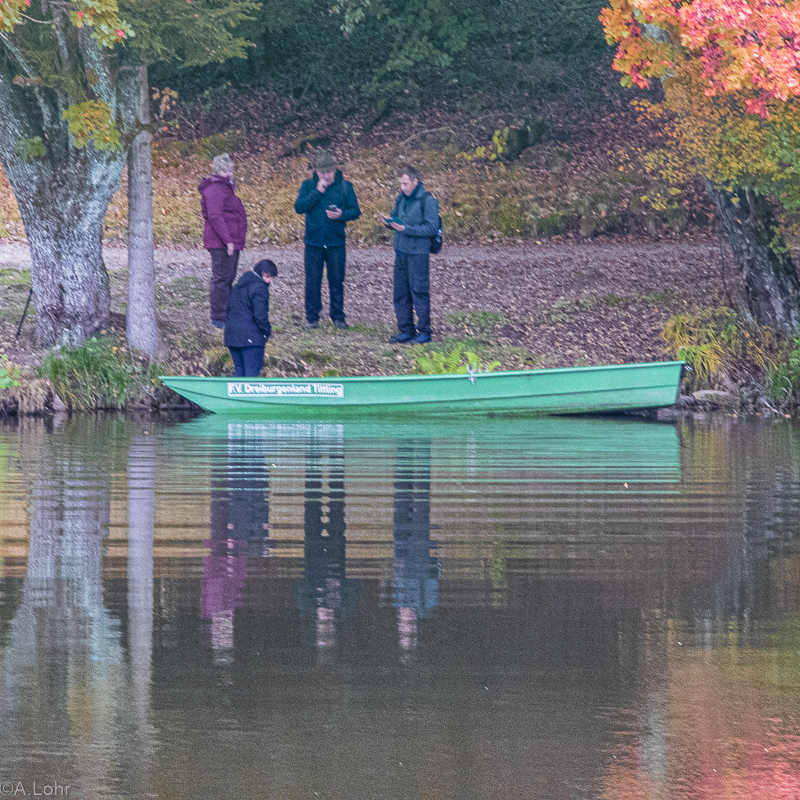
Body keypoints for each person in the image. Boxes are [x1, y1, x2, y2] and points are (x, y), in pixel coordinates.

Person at [294, 150, 361, 330]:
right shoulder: (308, 186)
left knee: (337, 281)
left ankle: (338, 317)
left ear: (334, 170)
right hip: (313, 242)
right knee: (312, 281)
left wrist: (341, 215)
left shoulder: (345, 186)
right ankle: (312, 318)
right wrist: (317, 192)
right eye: (322, 172)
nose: (326, 176)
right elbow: (299, 207)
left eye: (329, 172)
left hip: (336, 242)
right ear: (316, 172)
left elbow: (355, 211)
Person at [386, 166, 439, 344]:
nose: (402, 187)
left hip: (418, 253)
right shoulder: (401, 199)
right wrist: (389, 222)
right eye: (400, 183)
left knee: (419, 292)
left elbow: (432, 228)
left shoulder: (427, 200)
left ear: (415, 182)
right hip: (401, 251)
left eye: (406, 183)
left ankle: (424, 332)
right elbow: (395, 216)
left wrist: (406, 229)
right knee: (401, 293)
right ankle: (406, 330)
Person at [199, 153, 248, 329]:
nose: (229, 173)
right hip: (221, 242)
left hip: (230, 240)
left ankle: (226, 314)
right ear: (217, 170)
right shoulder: (214, 189)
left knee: (228, 277)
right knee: (221, 279)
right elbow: (214, 216)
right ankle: (218, 318)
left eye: (230, 170)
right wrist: (228, 241)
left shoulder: (225, 187)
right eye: (225, 170)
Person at [224, 259, 277, 378]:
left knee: (239, 371)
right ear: (264, 274)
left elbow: (227, 310)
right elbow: (260, 315)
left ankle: (236, 397)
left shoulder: (236, 288)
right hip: (251, 338)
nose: (270, 281)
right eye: (270, 278)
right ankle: (248, 397)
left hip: (231, 336)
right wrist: (266, 332)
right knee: (251, 373)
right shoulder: (260, 288)